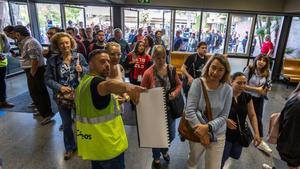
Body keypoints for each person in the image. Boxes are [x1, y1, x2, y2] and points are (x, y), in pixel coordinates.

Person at [75, 49, 146, 169]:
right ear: (90, 64)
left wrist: (117, 99)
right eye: (102, 62)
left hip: (93, 146)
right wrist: (129, 87)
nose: (107, 64)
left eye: (108, 61)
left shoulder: (84, 82)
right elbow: (108, 85)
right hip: (108, 147)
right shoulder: (98, 83)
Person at [45, 32, 88, 160]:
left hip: (79, 95)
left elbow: (89, 70)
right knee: (67, 124)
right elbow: (47, 79)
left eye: (67, 43)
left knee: (81, 122)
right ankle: (70, 148)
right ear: (57, 46)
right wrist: (60, 87)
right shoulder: (53, 60)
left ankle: (85, 145)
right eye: (61, 43)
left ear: (71, 43)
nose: (64, 45)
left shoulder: (79, 57)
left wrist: (83, 70)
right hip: (62, 97)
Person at [185, 54, 233, 169]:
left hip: (218, 134)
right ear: (208, 67)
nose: (215, 72)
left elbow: (224, 116)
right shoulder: (197, 83)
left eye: (220, 70)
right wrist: (202, 133)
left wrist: (207, 128)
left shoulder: (228, 89)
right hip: (197, 131)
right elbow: (190, 110)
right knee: (193, 161)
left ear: (225, 72)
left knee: (213, 166)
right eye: (213, 67)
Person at [141, 45, 182, 169]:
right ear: (153, 57)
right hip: (154, 110)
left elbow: (179, 84)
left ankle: (164, 151)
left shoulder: (171, 69)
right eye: (158, 58)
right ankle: (156, 157)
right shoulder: (148, 73)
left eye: (163, 57)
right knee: (156, 136)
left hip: (170, 108)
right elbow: (143, 91)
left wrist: (175, 93)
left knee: (170, 134)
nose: (161, 60)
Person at [13, 25, 54, 125]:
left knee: (37, 93)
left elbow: (34, 60)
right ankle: (43, 111)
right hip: (34, 70)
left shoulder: (30, 42)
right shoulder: (27, 41)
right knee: (39, 92)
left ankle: (46, 114)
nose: (15, 38)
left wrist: (32, 74)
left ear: (18, 34)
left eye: (15, 35)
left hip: (36, 71)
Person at [221, 72, 261, 169]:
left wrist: (257, 133)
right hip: (224, 133)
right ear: (231, 82)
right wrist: (225, 120)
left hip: (239, 133)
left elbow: (252, 115)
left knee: (233, 154)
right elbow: (214, 113)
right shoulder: (223, 94)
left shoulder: (247, 97)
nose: (242, 86)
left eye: (244, 83)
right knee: (221, 158)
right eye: (239, 83)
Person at [244, 54, 272, 154]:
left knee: (258, 118)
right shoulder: (249, 69)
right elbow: (242, 85)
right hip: (247, 97)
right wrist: (257, 90)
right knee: (242, 117)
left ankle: (259, 140)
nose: (261, 62)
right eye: (260, 59)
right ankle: (243, 135)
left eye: (264, 61)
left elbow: (269, 83)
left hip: (259, 98)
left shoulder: (267, 72)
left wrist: (267, 89)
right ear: (256, 60)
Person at [276, 82, 300, 169]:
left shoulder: (295, 95)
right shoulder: (297, 104)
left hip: (288, 146)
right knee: (287, 165)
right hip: (291, 149)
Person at [0, 33, 14, 108]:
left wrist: (5, 54)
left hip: (2, 64)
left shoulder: (2, 37)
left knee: (2, 84)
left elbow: (7, 49)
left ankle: (3, 101)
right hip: (2, 63)